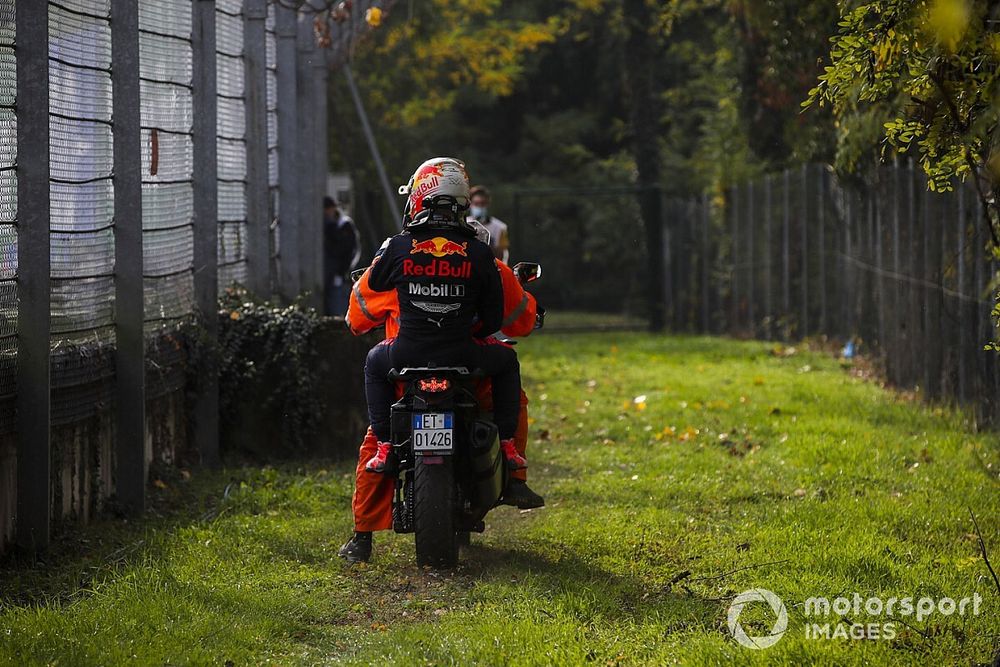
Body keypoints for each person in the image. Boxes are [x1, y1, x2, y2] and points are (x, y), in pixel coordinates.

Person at [340, 222, 544, 562]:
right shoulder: (487, 265)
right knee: (513, 399)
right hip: (474, 377)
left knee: (378, 439)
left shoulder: (397, 263)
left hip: (403, 378)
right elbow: (519, 321)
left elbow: (356, 319)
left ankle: (362, 538)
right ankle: (514, 477)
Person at [323, 196, 361, 316]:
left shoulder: (343, 225)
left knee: (338, 305)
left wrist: (342, 271)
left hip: (340, 273)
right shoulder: (332, 225)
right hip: (333, 273)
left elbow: (349, 249)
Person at [468, 185, 509, 263]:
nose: (479, 207)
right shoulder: (464, 224)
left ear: (487, 204)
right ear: (470, 204)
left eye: (482, 203)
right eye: (476, 204)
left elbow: (502, 254)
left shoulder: (500, 227)